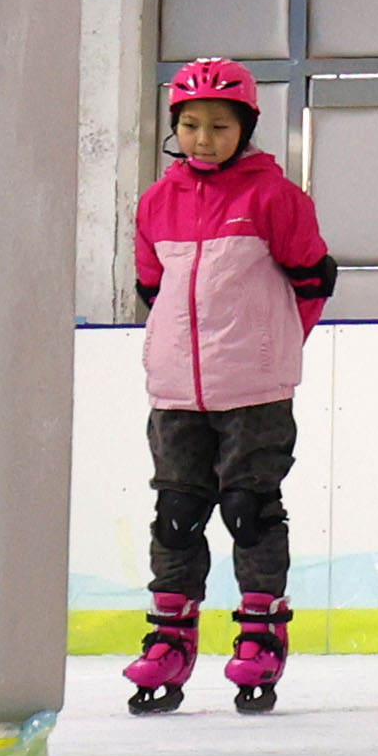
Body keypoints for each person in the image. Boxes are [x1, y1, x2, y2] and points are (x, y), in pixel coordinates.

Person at [122, 56, 335, 716]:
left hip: (254, 390)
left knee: (249, 509)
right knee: (177, 514)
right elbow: (153, 289)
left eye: (219, 126)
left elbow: (313, 281)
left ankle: (261, 633)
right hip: (176, 392)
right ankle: (169, 639)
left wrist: (271, 348)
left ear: (245, 128)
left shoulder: (273, 198)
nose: (203, 139)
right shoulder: (156, 202)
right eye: (190, 125)